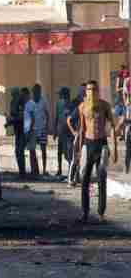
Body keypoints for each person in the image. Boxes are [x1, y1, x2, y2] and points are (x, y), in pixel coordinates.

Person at [76, 80, 117, 223]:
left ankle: (101, 213)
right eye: (88, 89)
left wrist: (115, 149)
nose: (91, 92)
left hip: (101, 144)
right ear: (85, 91)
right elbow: (82, 129)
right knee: (85, 179)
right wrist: (80, 150)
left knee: (101, 179)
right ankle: (85, 212)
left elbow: (112, 126)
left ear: (98, 90)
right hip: (88, 144)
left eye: (94, 89)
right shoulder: (82, 107)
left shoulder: (105, 105)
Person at [24, 84, 50, 176]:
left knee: (43, 150)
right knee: (32, 150)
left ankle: (44, 169)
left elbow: (47, 114)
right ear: (32, 92)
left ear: (40, 92)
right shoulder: (30, 103)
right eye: (34, 92)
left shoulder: (44, 101)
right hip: (33, 130)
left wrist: (46, 126)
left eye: (38, 91)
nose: (36, 93)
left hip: (42, 129)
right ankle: (34, 170)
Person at [54, 87, 73, 176]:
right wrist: (55, 131)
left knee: (68, 151)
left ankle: (70, 168)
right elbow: (57, 117)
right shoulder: (58, 104)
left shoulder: (71, 104)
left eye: (61, 94)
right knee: (59, 151)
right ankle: (59, 169)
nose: (60, 96)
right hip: (61, 131)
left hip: (68, 132)